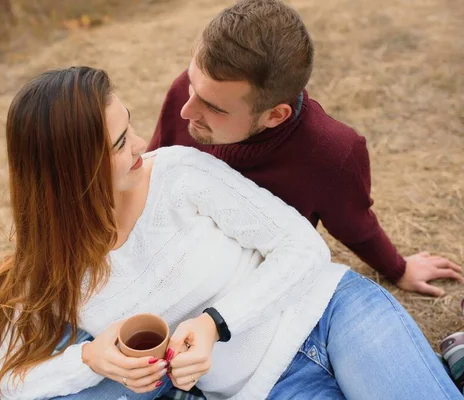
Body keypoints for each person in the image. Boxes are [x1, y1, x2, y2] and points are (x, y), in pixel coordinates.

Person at [0, 0, 461, 398]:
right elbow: (13, 378)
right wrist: (91, 360)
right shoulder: (53, 266)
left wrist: (213, 322)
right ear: (74, 173)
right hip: (266, 385)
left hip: (332, 311)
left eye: (129, 126)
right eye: (122, 139)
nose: (149, 141)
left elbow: (303, 247)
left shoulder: (176, 172)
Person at [148, 0, 462, 297]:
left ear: (275, 115)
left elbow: (355, 224)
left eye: (213, 107)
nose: (186, 111)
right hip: (170, 264)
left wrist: (399, 269)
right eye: (192, 83)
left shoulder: (333, 154)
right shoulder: (189, 93)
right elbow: (153, 171)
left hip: (252, 288)